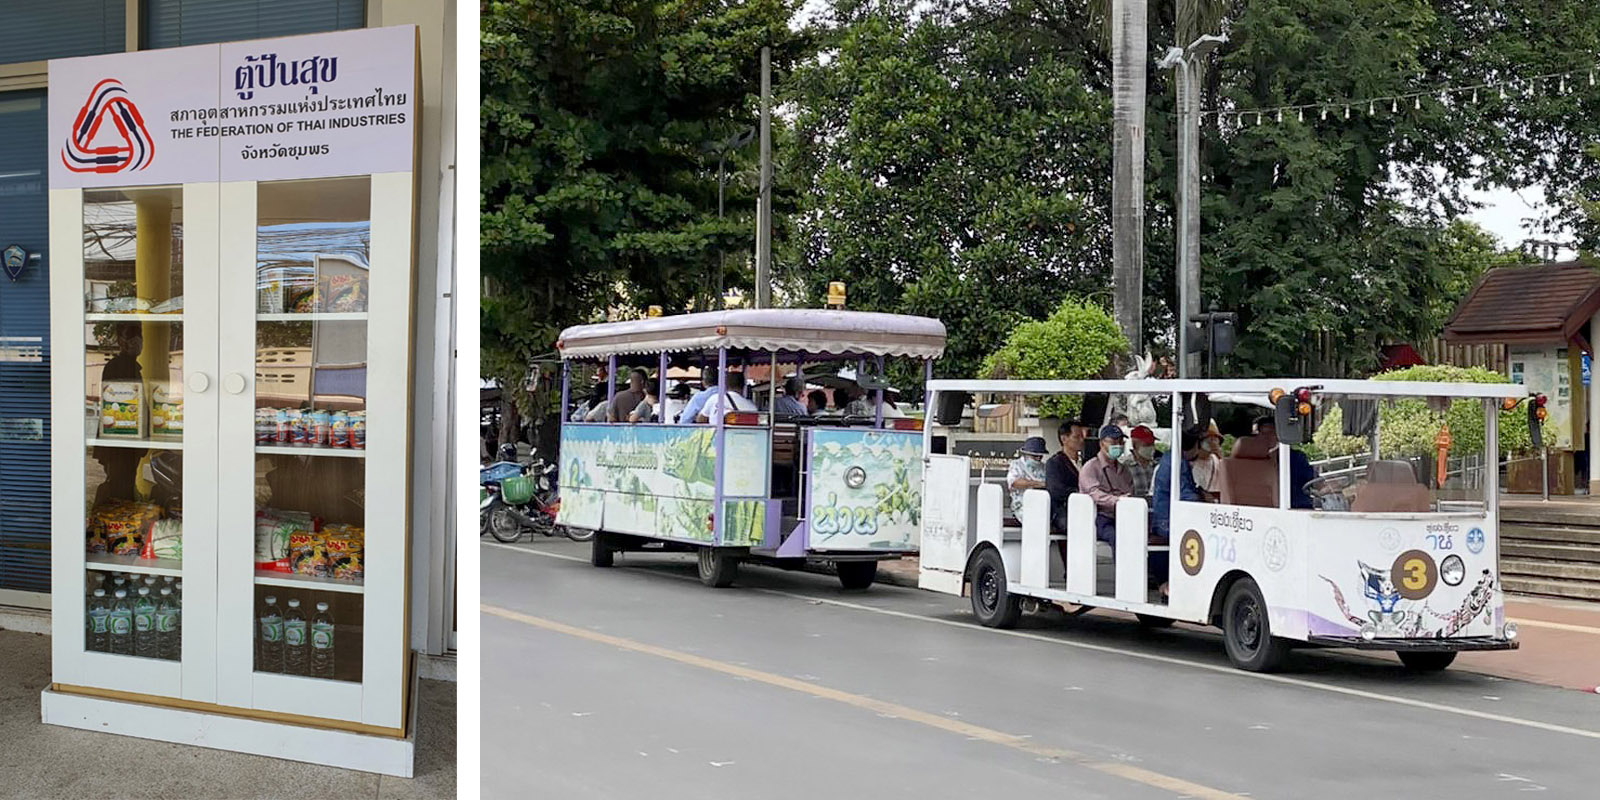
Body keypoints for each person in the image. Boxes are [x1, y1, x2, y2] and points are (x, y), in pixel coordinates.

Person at [94, 323, 144, 504]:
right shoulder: (118, 366)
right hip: (119, 443)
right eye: (131, 338)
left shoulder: (132, 366)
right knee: (119, 490)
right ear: (121, 342)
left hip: (129, 443)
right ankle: (112, 526)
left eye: (139, 337)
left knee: (126, 486)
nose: (137, 343)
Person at [1045, 419, 1090, 570]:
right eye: (1077, 437)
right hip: (1063, 510)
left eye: (1082, 436)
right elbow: (1055, 490)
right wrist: (1079, 493)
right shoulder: (1055, 463)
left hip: (1087, 507)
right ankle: (1073, 568)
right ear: (1064, 439)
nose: (1081, 440)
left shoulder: (1086, 462)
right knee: (1074, 527)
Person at [1079, 425, 1134, 546]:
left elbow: (1130, 491)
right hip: (1100, 518)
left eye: (1120, 442)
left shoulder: (1124, 470)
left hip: (1123, 516)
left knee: (1138, 535)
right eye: (1113, 441)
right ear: (1102, 444)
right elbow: (1094, 494)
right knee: (1116, 537)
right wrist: (1117, 500)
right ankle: (1121, 565)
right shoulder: (1091, 467)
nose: (1118, 445)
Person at [1151, 426, 1207, 540]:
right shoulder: (1178, 463)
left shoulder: (1170, 457)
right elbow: (1186, 496)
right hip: (1168, 523)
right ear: (1195, 445)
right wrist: (1204, 501)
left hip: (1162, 519)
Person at [1254, 416, 1316, 509]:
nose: (1267, 437)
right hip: (1262, 510)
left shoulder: (1295, 457)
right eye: (1263, 433)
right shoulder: (1252, 460)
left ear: (1279, 435)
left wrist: (1327, 487)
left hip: (1297, 507)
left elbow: (1313, 480)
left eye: (1271, 433)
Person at [1006, 437, 1049, 522]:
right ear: (1026, 454)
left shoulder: (1044, 467)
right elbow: (1014, 482)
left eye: (1040, 456)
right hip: (1022, 504)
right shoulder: (1016, 465)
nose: (1038, 458)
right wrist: (1038, 484)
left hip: (1042, 503)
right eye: (1035, 456)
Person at [1121, 425, 1159, 496]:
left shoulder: (1158, 466)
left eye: (1152, 444)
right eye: (1147, 444)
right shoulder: (1125, 467)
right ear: (1134, 444)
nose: (1151, 447)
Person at [1190, 421, 1225, 498]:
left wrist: (1221, 458)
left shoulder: (1219, 462)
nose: (1213, 442)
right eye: (1209, 439)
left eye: (1215, 439)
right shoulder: (1188, 463)